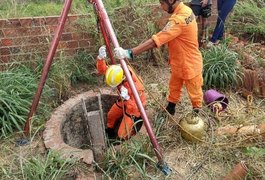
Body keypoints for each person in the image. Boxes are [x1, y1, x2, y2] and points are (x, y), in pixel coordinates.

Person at [114, 0, 203, 116]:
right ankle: (171, 108)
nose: (162, 7)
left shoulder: (178, 20)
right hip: (179, 61)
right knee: (174, 86)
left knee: (195, 91)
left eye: (162, 3)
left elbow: (156, 41)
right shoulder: (186, 10)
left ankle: (196, 116)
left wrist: (129, 52)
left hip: (190, 64)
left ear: (171, 1)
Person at [96, 46, 147, 140]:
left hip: (135, 107)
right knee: (111, 115)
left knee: (121, 134)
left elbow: (134, 108)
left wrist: (127, 98)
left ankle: (129, 137)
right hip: (125, 99)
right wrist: (100, 58)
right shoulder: (117, 71)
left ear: (123, 78)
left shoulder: (137, 88)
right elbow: (103, 70)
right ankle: (110, 132)